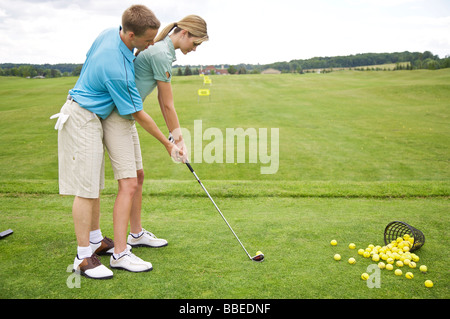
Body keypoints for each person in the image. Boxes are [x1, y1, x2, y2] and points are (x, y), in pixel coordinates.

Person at [52, 5, 183, 279]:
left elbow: (89, 60)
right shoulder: (119, 70)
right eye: (148, 40)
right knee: (86, 189)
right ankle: (82, 256)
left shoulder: (109, 32)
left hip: (92, 113)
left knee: (94, 185)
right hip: (82, 116)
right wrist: (168, 144)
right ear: (131, 34)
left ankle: (97, 239)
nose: (151, 45)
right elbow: (139, 115)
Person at [101, 15, 208, 257]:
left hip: (126, 117)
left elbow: (162, 100)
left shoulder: (163, 51)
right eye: (196, 43)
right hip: (117, 116)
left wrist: (174, 138)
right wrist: (177, 141)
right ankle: (120, 252)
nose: (194, 49)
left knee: (138, 176)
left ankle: (136, 234)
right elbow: (167, 105)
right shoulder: (161, 53)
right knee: (128, 183)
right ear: (185, 33)